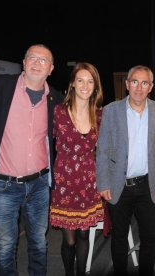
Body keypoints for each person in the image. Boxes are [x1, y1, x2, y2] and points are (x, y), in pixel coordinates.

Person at [0, 44, 63, 275]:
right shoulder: (1, 86)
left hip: (39, 185)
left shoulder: (56, 99)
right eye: (33, 58)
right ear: (24, 62)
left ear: (51, 69)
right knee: (5, 245)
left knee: (39, 242)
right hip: (4, 185)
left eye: (44, 60)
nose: (37, 63)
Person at [96, 65, 155, 276]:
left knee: (148, 238)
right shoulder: (111, 110)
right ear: (127, 84)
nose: (139, 87)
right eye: (134, 82)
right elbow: (101, 150)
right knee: (119, 237)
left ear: (151, 87)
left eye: (144, 83)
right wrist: (103, 183)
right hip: (119, 186)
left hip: (149, 185)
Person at [49, 62, 104, 276]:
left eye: (90, 82)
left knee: (83, 236)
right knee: (69, 240)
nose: (85, 85)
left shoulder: (99, 116)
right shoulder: (58, 112)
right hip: (64, 184)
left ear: (95, 87)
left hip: (88, 183)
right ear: (72, 83)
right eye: (80, 80)